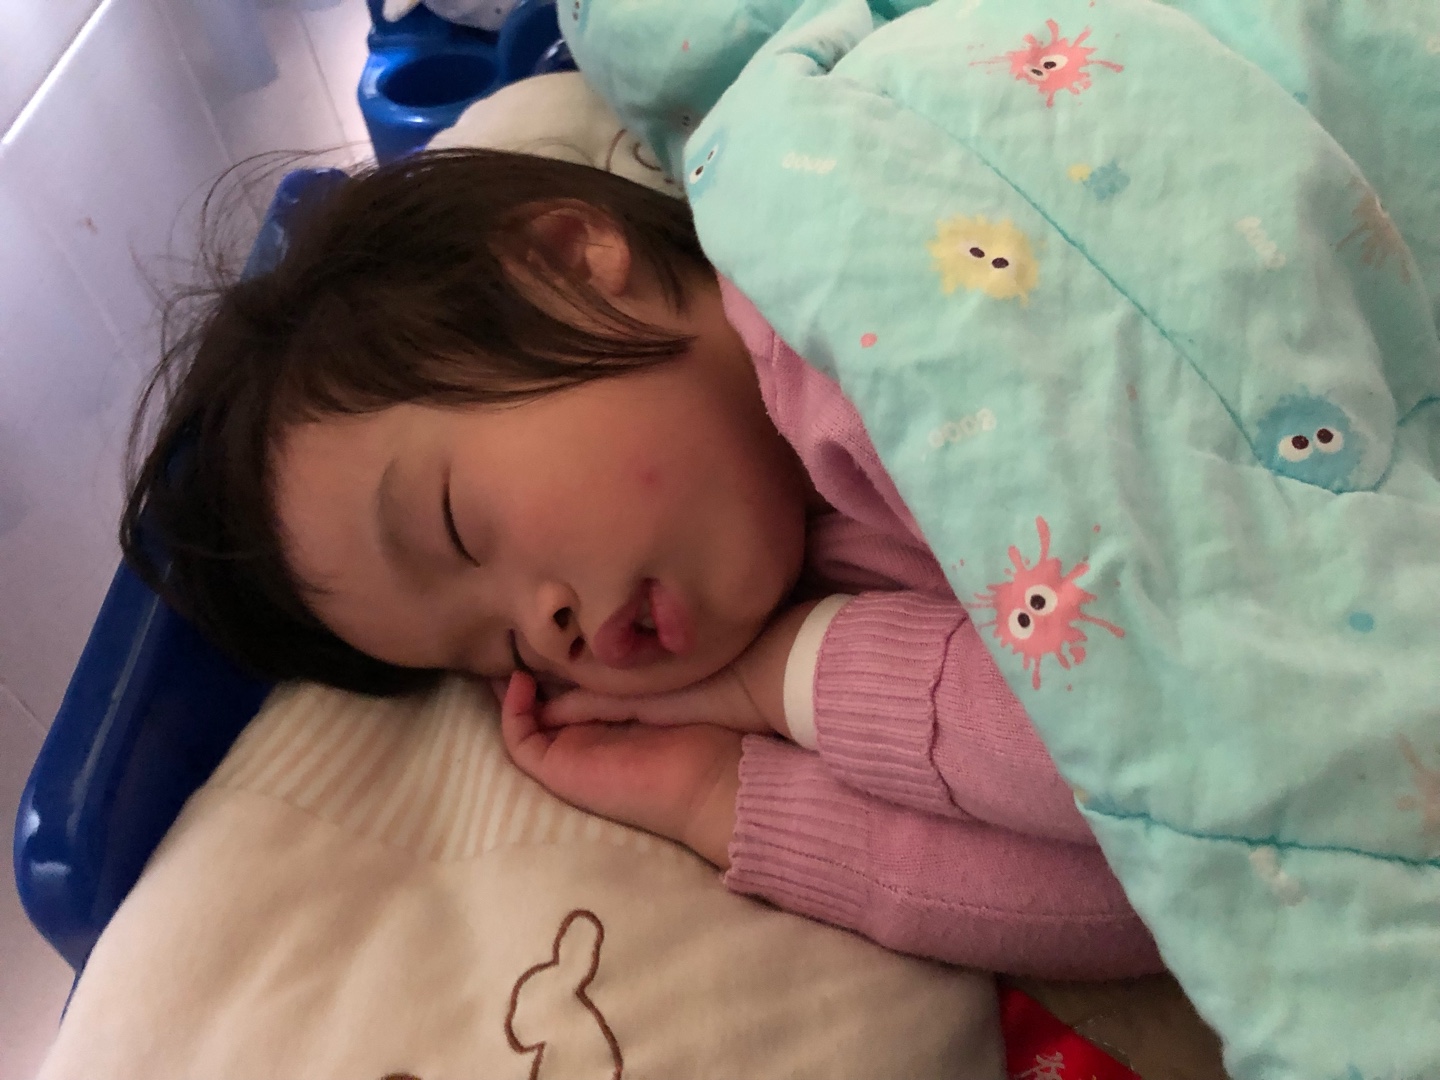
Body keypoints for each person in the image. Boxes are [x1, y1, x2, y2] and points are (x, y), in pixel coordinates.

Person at [126, 148, 1160, 979]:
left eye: (458, 530)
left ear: (565, 263)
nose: (546, 637)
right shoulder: (806, 538)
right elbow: (1172, 884)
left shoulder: (864, 313)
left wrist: (785, 678)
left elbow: (1156, 733)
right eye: (497, 650)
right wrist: (716, 795)